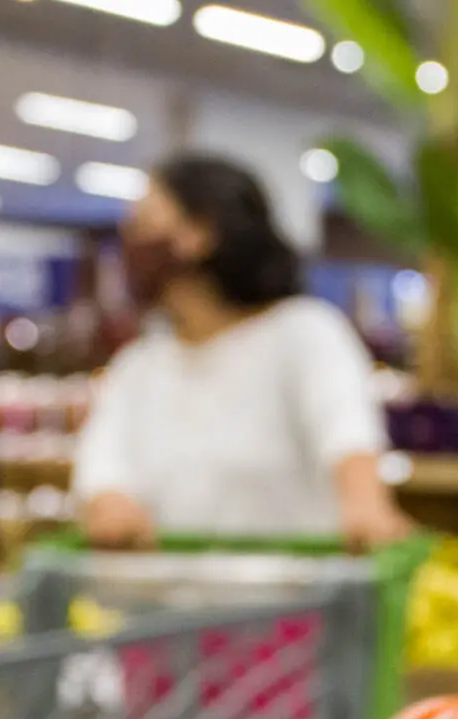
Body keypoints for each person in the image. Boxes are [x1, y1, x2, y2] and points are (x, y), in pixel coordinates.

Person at [74, 153, 411, 548]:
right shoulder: (139, 366)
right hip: (168, 602)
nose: (129, 241)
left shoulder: (304, 334)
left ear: (200, 232)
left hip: (295, 601)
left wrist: (365, 506)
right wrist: (110, 506)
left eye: (143, 223)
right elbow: (102, 471)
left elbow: (348, 441)